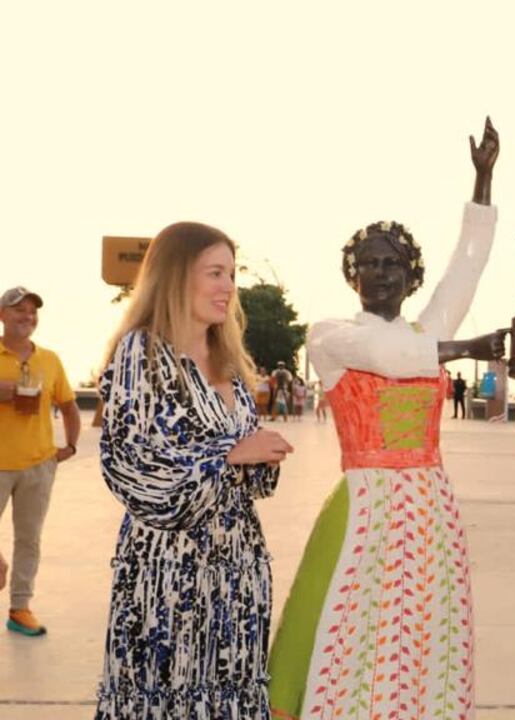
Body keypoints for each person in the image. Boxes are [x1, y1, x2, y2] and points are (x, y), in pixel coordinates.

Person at [267, 117, 504, 720]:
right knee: (341, 618)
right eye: (368, 263)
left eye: (392, 263)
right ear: (352, 275)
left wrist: (482, 183)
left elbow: (467, 268)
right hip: (364, 502)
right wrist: (468, 348)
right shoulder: (332, 336)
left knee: (422, 633)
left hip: (429, 506)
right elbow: (391, 356)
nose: (379, 273)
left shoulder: (428, 329)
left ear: (411, 275)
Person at [94, 222, 294, 719]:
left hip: (236, 569)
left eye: (231, 274)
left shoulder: (227, 361)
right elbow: (131, 464)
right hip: (168, 573)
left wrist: (260, 456)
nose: (228, 287)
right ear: (176, 276)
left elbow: (242, 467)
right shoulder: (141, 353)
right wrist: (229, 455)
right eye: (215, 273)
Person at [0, 286, 79, 637]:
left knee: (29, 539)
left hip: (38, 466)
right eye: (19, 310)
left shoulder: (50, 359)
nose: (28, 316)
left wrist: (70, 446)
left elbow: (69, 406)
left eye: (32, 311)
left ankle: (20, 609)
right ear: (2, 315)